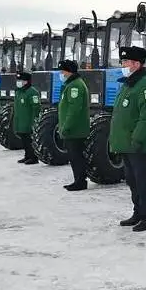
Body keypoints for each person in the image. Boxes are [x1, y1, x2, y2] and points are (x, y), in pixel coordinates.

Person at [109, 46, 146, 232]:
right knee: (132, 180)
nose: (122, 65)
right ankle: (138, 213)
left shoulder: (145, 85)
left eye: (125, 62)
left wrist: (137, 139)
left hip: (138, 145)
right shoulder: (128, 83)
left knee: (142, 182)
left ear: (136, 64)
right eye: (122, 62)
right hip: (126, 144)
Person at [56, 59, 90, 191]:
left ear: (69, 72)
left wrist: (66, 127)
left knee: (76, 157)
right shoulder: (71, 85)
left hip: (75, 129)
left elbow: (74, 110)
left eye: (62, 71)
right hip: (72, 128)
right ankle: (78, 180)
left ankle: (80, 181)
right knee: (74, 156)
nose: (61, 74)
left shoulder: (75, 86)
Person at [13, 71, 41, 164]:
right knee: (24, 140)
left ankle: (33, 158)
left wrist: (34, 121)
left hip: (29, 121)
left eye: (21, 80)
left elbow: (36, 107)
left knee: (29, 140)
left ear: (26, 81)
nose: (18, 82)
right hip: (20, 120)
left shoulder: (32, 92)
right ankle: (27, 155)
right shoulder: (19, 92)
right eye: (18, 80)